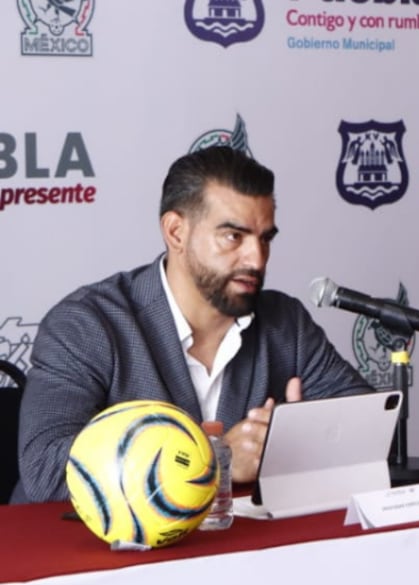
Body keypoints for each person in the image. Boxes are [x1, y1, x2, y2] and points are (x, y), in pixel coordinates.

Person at [14, 146, 370, 503]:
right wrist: (213, 461)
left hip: (238, 550)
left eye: (265, 238)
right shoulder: (86, 325)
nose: (257, 258)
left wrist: (301, 437)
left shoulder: (285, 323)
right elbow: (47, 471)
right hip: (91, 553)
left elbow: (371, 426)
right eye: (234, 236)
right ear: (176, 232)